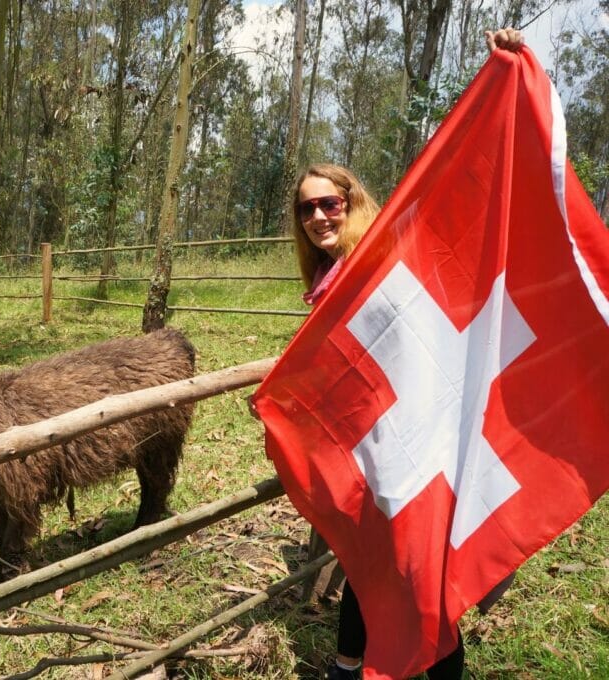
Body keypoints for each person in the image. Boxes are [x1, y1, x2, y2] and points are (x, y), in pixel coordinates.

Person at [282, 29, 527, 680]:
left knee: (422, 564)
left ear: (352, 202)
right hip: (375, 445)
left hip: (425, 436)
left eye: (328, 203)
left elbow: (462, 187)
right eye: (306, 208)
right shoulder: (325, 284)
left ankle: (441, 669)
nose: (317, 216)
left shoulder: (389, 253)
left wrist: (501, 67)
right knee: (375, 558)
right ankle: (347, 663)